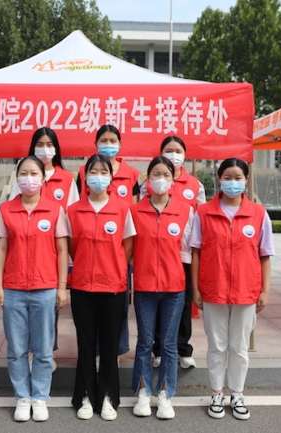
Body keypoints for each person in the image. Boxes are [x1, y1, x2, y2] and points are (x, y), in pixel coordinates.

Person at [190, 158, 274, 421]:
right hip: (212, 289)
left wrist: (265, 290)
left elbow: (265, 254)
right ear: (219, 178)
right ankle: (217, 392)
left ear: (246, 180)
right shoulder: (203, 212)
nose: (233, 182)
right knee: (216, 346)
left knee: (239, 347)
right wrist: (196, 289)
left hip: (246, 291)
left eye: (238, 178)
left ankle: (237, 393)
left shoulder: (258, 213)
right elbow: (196, 253)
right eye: (227, 177)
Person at [0, 156, 69, 422]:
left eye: (34, 173)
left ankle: (39, 397)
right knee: (15, 349)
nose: (29, 178)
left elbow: (62, 251)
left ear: (43, 177)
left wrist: (62, 287)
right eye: (23, 173)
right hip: (13, 288)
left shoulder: (55, 210)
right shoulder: (7, 210)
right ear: (17, 178)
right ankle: (22, 397)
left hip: (45, 288)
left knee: (43, 349)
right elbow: (1, 249)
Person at [67, 154, 136, 421]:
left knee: (109, 345)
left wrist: (113, 266)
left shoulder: (122, 209)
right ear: (85, 176)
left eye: (103, 171)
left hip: (113, 287)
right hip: (82, 285)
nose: (98, 176)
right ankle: (85, 395)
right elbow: (72, 247)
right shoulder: (73, 210)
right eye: (93, 171)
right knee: (85, 344)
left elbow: (127, 246)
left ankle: (107, 395)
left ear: (111, 177)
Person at [130, 156, 193, 420]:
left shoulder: (185, 210)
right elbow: (129, 252)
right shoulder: (134, 211)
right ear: (148, 178)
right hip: (144, 287)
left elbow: (188, 252)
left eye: (166, 175)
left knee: (168, 344)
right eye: (156, 174)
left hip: (174, 289)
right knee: (145, 342)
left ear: (173, 179)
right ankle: (144, 392)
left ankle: (165, 394)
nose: (161, 179)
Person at [140, 136, 206, 370]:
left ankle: (183, 348)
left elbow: (200, 218)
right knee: (157, 305)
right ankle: (159, 350)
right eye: (169, 150)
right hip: (155, 255)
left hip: (183, 256)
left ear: (185, 155)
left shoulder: (195, 184)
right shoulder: (148, 183)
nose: (173, 155)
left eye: (178, 151)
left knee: (183, 305)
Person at [76, 124, 140, 361]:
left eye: (113, 140)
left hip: (117, 254)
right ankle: (93, 356)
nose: (108, 144)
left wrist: (119, 259)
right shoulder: (82, 172)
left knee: (117, 311)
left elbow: (133, 215)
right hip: (89, 254)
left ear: (120, 144)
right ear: (96, 143)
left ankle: (114, 352)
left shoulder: (132, 174)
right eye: (104, 140)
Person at [9, 127, 79, 210]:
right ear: (33, 148)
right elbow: (12, 206)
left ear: (55, 148)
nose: (45, 149)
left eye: (49, 145)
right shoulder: (24, 176)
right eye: (40, 145)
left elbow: (73, 210)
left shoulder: (67, 178)